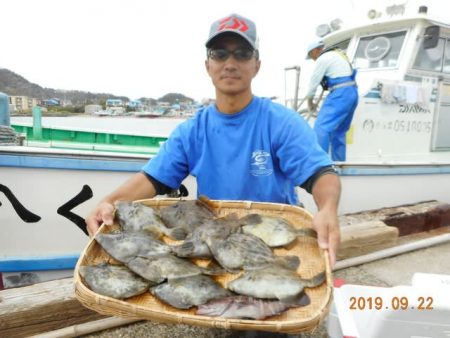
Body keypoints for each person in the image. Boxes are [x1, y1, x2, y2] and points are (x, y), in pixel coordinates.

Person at [86, 13, 342, 267]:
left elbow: (321, 174)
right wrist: (109, 202)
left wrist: (327, 208)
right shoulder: (192, 131)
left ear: (257, 65)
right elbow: (152, 179)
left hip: (275, 243)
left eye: (242, 53)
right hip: (217, 244)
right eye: (220, 53)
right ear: (207, 65)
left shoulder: (281, 122)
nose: (230, 63)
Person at [306, 39, 358, 161]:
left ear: (315, 51)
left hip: (340, 93)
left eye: (311, 56)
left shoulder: (323, 58)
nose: (313, 59)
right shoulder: (338, 55)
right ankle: (339, 164)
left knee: (321, 127)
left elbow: (314, 82)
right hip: (352, 92)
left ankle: (319, 166)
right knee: (339, 131)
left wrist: (310, 102)